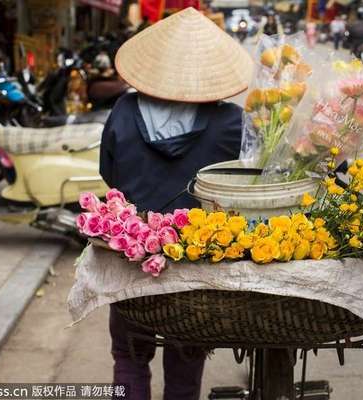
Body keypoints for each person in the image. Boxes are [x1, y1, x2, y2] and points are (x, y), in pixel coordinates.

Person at [99, 8, 252, 400]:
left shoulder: (124, 110)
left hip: (131, 256)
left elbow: (109, 174)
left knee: (129, 355)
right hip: (195, 262)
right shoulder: (232, 123)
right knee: (186, 358)